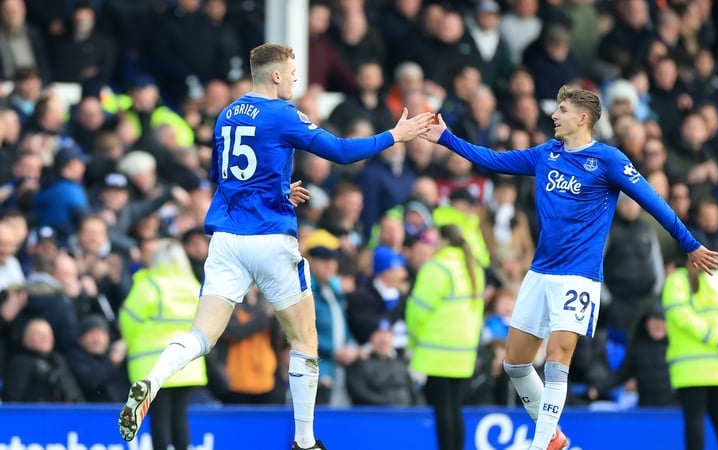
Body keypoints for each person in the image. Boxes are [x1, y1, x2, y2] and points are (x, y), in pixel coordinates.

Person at [117, 43, 433, 450]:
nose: (297, 79)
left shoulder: (226, 115)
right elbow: (338, 151)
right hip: (269, 238)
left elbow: (226, 176)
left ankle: (152, 380)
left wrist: (281, 187)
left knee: (202, 334)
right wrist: (396, 134)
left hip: (227, 239)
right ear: (277, 75)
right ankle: (304, 441)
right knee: (304, 339)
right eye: (293, 71)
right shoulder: (282, 114)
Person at [420, 85, 718, 450]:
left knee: (558, 357)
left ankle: (541, 442)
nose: (553, 115)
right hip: (540, 273)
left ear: (583, 118)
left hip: (579, 276)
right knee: (515, 364)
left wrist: (690, 244)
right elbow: (493, 159)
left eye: (561, 109)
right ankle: (556, 437)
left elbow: (654, 202)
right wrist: (447, 138)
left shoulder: (608, 160)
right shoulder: (546, 154)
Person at [119, 239, 208, 450]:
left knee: (159, 417)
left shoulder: (149, 285)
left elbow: (127, 321)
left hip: (153, 364)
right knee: (179, 416)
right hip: (188, 364)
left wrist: (132, 343)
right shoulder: (194, 286)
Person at [405, 224, 485, 450]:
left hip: (435, 351)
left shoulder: (437, 268)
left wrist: (413, 343)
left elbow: (417, 312)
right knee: (454, 409)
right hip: (464, 352)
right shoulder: (474, 268)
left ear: (443, 241)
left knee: (443, 410)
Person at [662, 254, 718, 450]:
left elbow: (680, 314)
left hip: (689, 367)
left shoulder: (676, 280)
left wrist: (712, 336)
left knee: (695, 421)